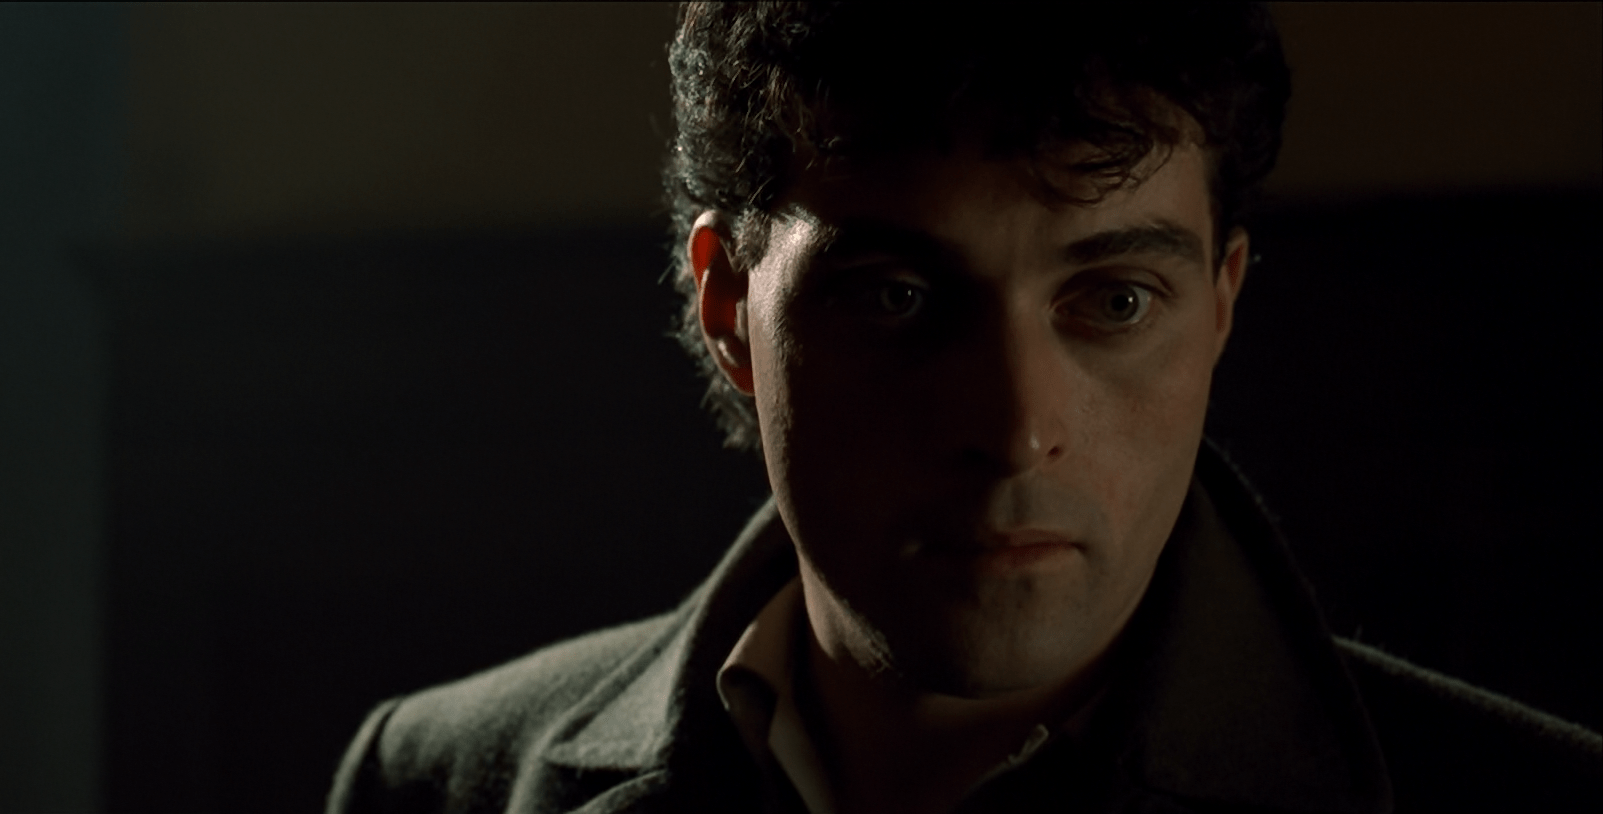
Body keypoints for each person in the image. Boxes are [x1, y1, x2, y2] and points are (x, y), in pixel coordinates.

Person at [326, 4, 1603, 812]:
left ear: (1220, 305)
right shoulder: (440, 782)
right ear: (727, 310)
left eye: (1113, 301)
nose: (1011, 424)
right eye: (896, 298)